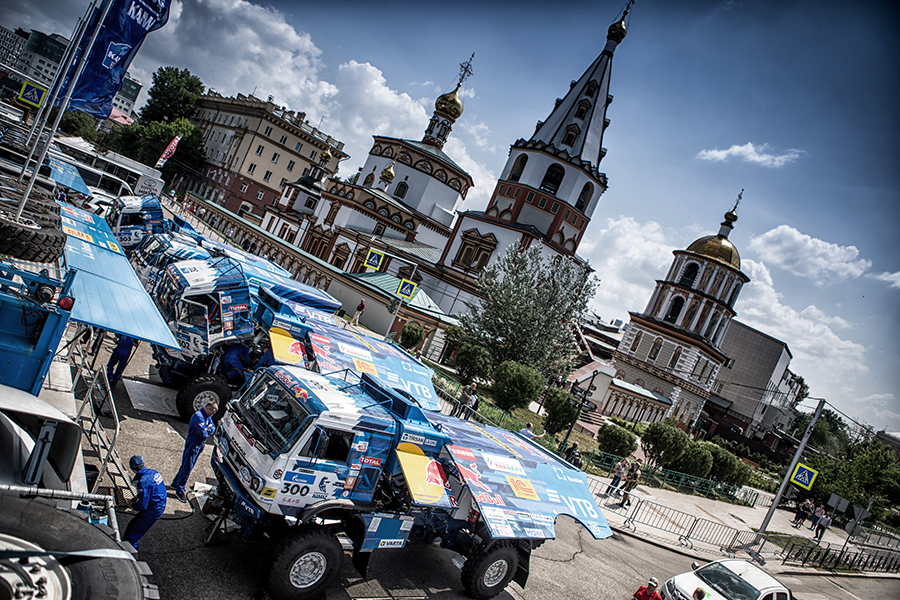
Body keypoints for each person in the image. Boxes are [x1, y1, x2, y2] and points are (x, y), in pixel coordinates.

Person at [171, 402, 218, 503]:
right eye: (212, 412)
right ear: (208, 409)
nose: (212, 415)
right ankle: (180, 490)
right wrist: (208, 428)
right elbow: (203, 434)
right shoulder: (199, 416)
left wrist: (208, 428)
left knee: (187, 466)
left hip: (199, 446)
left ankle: (175, 483)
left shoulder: (207, 417)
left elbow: (213, 428)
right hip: (193, 445)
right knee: (187, 468)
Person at [123, 455, 167, 550]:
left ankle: (131, 555)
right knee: (131, 526)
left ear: (132, 469)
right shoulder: (153, 472)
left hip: (153, 510)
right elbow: (152, 489)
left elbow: (143, 506)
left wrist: (132, 505)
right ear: (143, 463)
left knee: (132, 536)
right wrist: (138, 496)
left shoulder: (143, 482)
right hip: (159, 504)